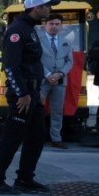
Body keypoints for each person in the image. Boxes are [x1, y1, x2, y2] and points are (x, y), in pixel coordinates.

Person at [0, 0, 56, 194]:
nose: (50, 9)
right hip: (22, 94)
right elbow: (10, 66)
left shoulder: (30, 28)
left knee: (37, 136)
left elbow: (32, 63)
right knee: (12, 137)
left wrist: (37, 90)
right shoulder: (17, 30)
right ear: (36, 8)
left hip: (32, 92)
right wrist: (23, 93)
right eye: (47, 6)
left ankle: (25, 179)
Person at [36, 16, 73, 148]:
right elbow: (36, 60)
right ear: (45, 25)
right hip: (42, 80)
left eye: (57, 24)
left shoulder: (66, 42)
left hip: (60, 81)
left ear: (61, 26)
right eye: (51, 23)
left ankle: (56, 139)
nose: (54, 26)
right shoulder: (38, 40)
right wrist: (48, 75)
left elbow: (70, 61)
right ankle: (35, 137)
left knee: (57, 111)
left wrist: (60, 74)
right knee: (37, 109)